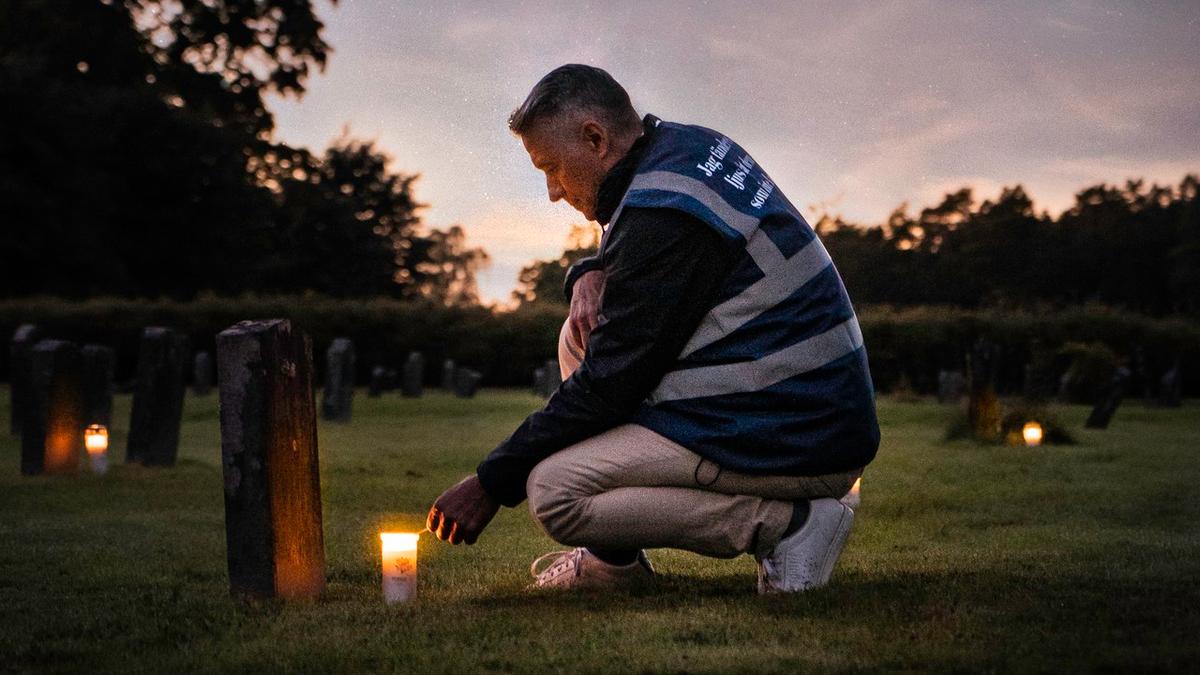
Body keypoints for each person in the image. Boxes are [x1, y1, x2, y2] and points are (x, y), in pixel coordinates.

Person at [426, 64, 879, 593]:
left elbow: (610, 386)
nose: (552, 190)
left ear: (595, 139)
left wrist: (489, 482)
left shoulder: (663, 215)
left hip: (798, 433)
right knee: (579, 333)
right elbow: (649, 255)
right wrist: (589, 271)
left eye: (551, 167)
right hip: (806, 406)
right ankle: (612, 565)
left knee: (555, 491)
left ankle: (787, 526)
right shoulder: (686, 149)